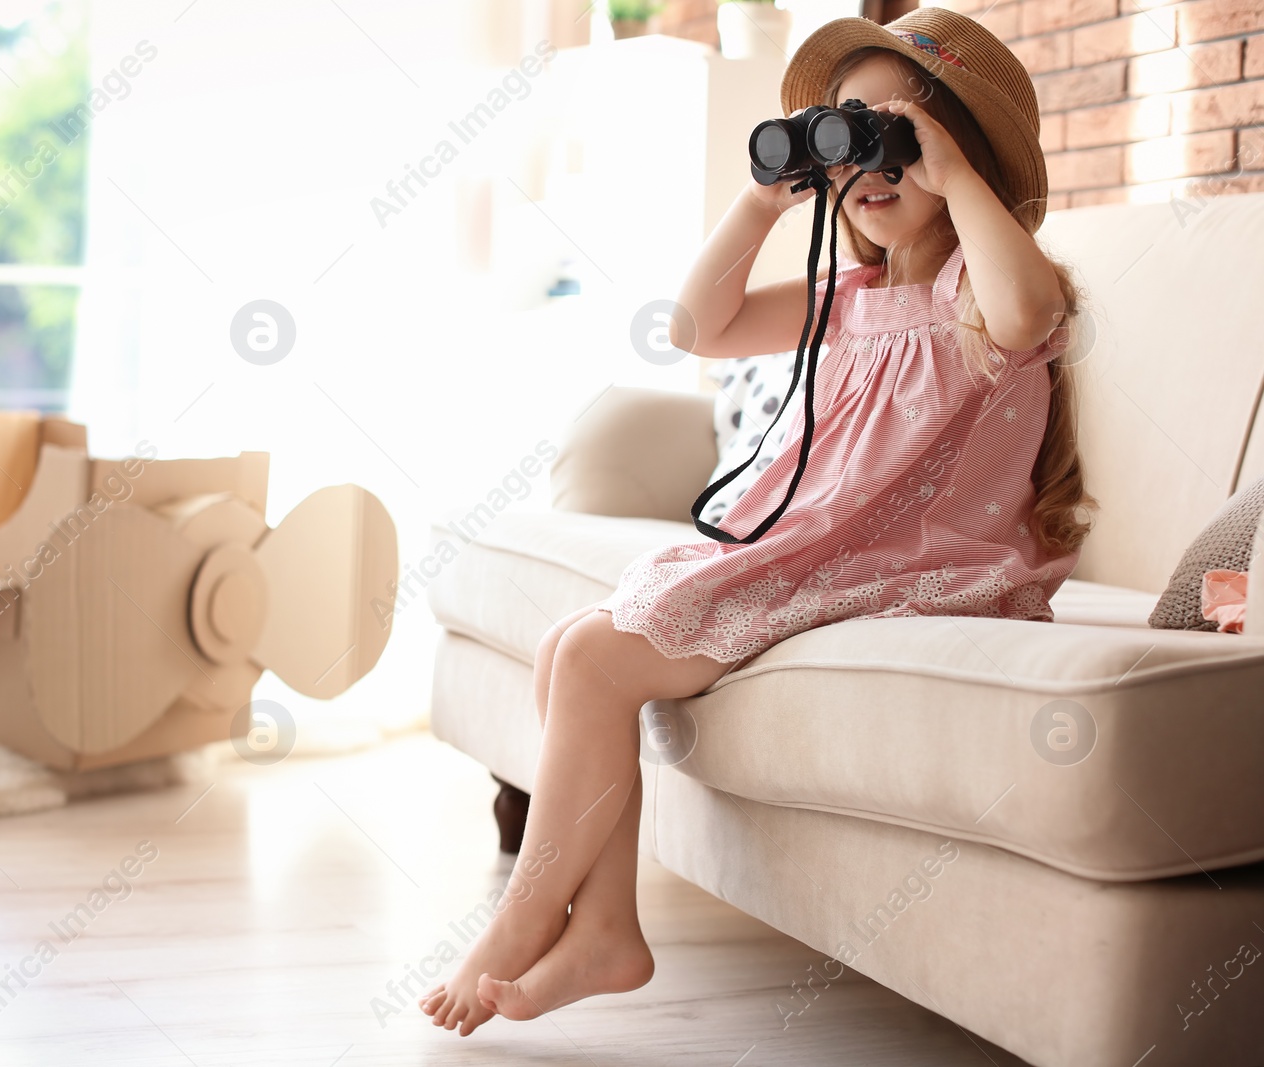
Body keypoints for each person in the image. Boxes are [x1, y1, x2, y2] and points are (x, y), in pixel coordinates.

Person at [421, 8, 1095, 1036]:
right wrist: (757, 201)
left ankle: (523, 919)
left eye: (895, 135)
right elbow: (701, 325)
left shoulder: (985, 285)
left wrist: (955, 175)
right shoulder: (848, 291)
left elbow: (1023, 318)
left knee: (599, 657)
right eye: (843, 135)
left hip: (907, 558)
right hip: (813, 537)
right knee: (570, 645)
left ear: (958, 147)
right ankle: (604, 927)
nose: (869, 160)